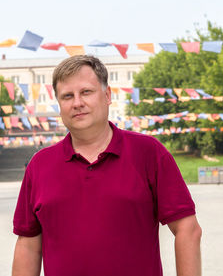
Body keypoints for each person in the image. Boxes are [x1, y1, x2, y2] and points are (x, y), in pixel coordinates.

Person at [12, 55, 202, 276]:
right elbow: (28, 246)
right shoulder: (40, 166)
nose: (77, 103)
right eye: (67, 96)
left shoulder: (148, 153)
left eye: (86, 92)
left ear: (107, 95)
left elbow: (187, 230)